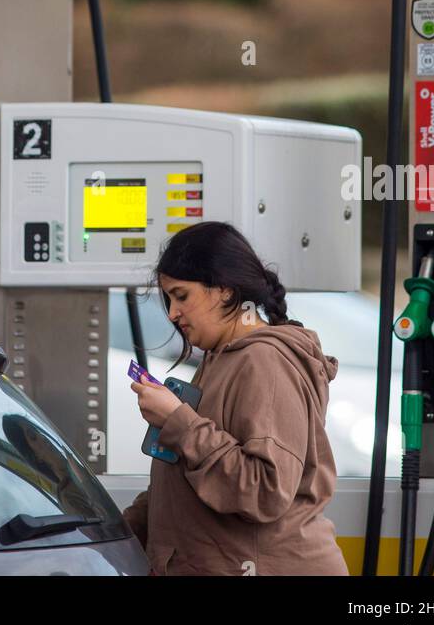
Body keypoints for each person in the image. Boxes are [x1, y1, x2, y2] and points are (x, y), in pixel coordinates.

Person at [122, 221, 349, 576]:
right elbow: (188, 482)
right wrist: (120, 533)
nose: (172, 313)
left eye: (182, 296)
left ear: (225, 291)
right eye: (168, 299)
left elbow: (265, 491)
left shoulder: (264, 361)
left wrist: (178, 423)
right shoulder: (220, 358)